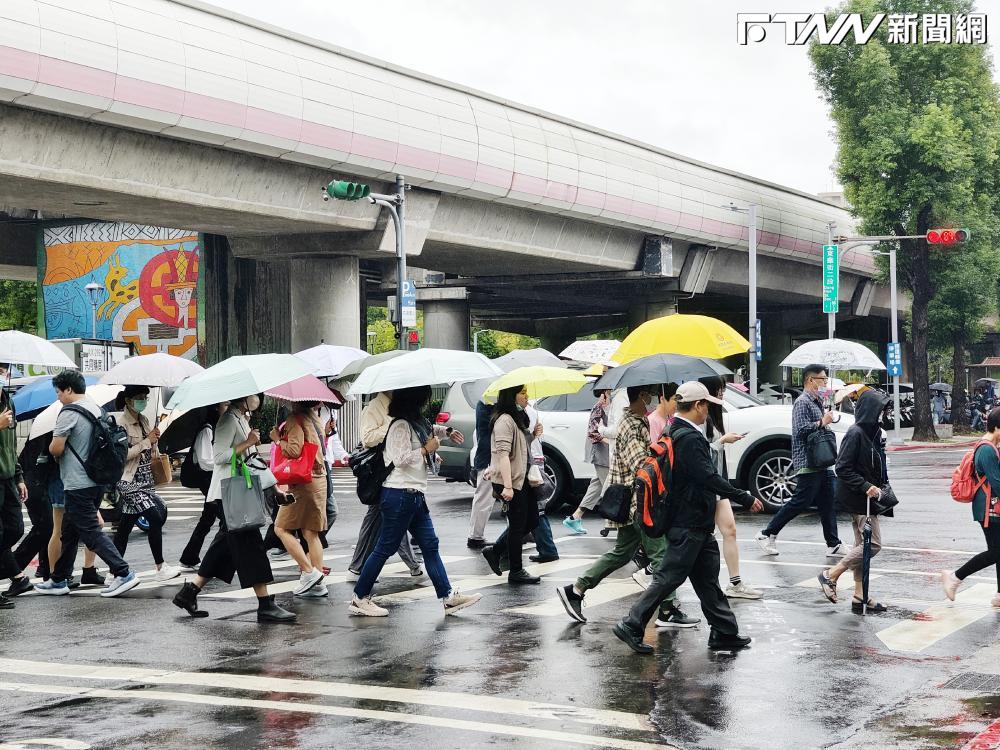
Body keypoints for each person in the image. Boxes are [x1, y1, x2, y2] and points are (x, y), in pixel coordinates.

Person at [614, 382, 761, 654]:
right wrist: (745, 496)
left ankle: (724, 632)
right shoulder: (689, 438)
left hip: (693, 523)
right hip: (688, 522)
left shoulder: (675, 431)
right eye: (707, 405)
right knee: (668, 578)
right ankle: (632, 624)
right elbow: (708, 477)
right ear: (698, 406)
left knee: (707, 580)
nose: (708, 411)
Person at [557, 385, 698, 627]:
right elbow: (640, 466)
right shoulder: (632, 425)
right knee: (661, 554)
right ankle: (668, 609)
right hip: (637, 502)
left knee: (621, 553)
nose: (654, 399)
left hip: (634, 501)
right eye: (650, 395)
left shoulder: (637, 421)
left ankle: (576, 589)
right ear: (643, 397)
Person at [348, 385, 480, 617]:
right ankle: (360, 597)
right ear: (415, 400)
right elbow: (399, 459)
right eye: (425, 397)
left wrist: (445, 432)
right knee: (385, 547)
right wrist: (425, 450)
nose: (427, 402)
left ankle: (448, 597)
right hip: (399, 494)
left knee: (430, 545)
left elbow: (429, 429)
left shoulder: (416, 422)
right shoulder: (399, 424)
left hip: (414, 494)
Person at [172, 394, 295, 622]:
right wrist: (247, 442)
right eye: (255, 396)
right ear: (244, 397)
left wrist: (274, 488)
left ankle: (189, 593)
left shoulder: (240, 418)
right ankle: (265, 604)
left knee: (225, 545)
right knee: (251, 545)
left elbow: (252, 459)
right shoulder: (228, 419)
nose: (258, 399)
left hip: (237, 492)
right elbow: (220, 457)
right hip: (230, 493)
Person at [35, 370, 140, 597]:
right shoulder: (95, 408)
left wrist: (52, 447)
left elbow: (56, 447)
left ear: (69, 390)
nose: (59, 397)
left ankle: (123, 572)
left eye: (59, 392)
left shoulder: (68, 412)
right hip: (96, 479)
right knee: (70, 531)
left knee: (91, 531)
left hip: (77, 483)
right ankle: (59, 579)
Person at [755, 364, 845, 557]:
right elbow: (800, 430)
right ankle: (767, 533)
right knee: (800, 502)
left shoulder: (817, 401)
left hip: (823, 461)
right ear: (811, 380)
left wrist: (828, 415)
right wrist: (822, 422)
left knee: (828, 502)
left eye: (826, 380)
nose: (825, 383)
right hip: (808, 461)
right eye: (822, 379)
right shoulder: (802, 402)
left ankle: (833, 543)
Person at [817, 390, 892, 612]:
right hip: (858, 498)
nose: (883, 414)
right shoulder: (855, 433)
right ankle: (831, 574)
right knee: (873, 544)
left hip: (867, 497)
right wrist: (866, 486)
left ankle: (860, 596)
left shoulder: (873, 434)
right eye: (880, 410)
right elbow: (842, 468)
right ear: (871, 411)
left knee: (862, 546)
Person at [346, 392, 423, 580]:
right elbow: (368, 438)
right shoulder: (374, 407)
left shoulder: (400, 403)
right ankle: (358, 567)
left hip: (397, 472)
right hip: (382, 470)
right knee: (383, 518)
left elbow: (414, 428)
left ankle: (410, 564)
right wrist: (392, 428)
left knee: (392, 518)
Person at [699, 376, 762, 600]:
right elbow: (699, 453)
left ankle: (735, 583)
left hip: (716, 484)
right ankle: (655, 573)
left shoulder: (714, 417)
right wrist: (722, 441)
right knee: (697, 540)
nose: (722, 395)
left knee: (730, 531)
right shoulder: (700, 419)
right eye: (719, 390)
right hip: (705, 486)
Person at [111, 385, 180, 582]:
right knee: (155, 518)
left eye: (146, 397)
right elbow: (121, 455)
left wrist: (155, 439)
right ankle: (160, 567)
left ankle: (112, 572)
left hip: (146, 482)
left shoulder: (145, 420)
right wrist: (146, 442)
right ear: (128, 400)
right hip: (128, 482)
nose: (144, 400)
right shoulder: (120, 424)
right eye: (140, 397)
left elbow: (149, 449)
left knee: (125, 527)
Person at [941, 406, 1000, 609]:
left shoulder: (990, 446)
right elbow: (997, 483)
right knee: (996, 552)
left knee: (998, 550)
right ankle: (955, 577)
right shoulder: (986, 449)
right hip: (988, 509)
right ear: (997, 428)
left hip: (992, 508)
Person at [270, 401, 328, 598]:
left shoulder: (295, 419)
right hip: (319, 478)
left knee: (281, 528)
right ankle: (318, 582)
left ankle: (309, 572)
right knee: (311, 533)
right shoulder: (315, 418)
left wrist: (278, 440)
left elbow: (294, 450)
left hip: (304, 482)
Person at [179, 402, 228, 571]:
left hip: (212, 479)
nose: (228, 408)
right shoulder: (207, 429)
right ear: (216, 408)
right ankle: (214, 561)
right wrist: (224, 461)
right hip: (207, 479)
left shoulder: (216, 427)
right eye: (226, 405)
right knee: (225, 519)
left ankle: (189, 557)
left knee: (208, 518)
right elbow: (206, 461)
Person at [563, 390, 611, 535]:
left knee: (596, 486)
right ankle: (611, 523)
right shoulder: (599, 407)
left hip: (608, 453)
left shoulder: (611, 406)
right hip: (601, 452)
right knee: (610, 488)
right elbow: (593, 433)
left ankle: (574, 517)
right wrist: (611, 442)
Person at [0, 363, 28, 607]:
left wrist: (19, 477)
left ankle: (14, 573)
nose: (1, 375)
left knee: (15, 529)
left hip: (8, 477)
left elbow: (10, 446)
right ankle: (16, 576)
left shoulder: (9, 402)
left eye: (2, 370)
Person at [466, 397, 496, 548]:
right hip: (488, 457)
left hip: (492, 456)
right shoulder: (486, 403)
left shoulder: (487, 403)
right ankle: (475, 536)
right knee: (484, 498)